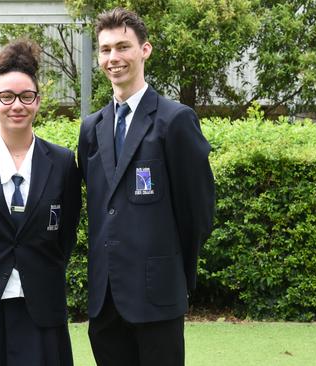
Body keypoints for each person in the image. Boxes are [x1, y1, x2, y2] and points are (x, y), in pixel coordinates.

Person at [77, 8, 216, 366]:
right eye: (105, 49)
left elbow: (198, 211)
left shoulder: (175, 120)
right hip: (105, 299)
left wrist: (172, 271)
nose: (113, 58)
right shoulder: (91, 128)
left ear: (145, 50)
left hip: (157, 296)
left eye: (123, 47)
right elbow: (99, 208)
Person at [0, 39, 81, 366]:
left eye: (26, 96)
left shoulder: (63, 163)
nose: (16, 105)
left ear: (38, 102)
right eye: (7, 97)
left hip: (41, 306)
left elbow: (65, 235)